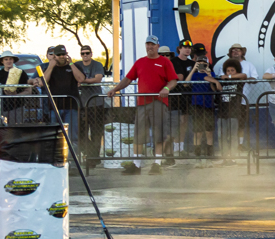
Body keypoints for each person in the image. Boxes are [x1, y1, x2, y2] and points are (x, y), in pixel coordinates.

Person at [105, 36, 178, 175]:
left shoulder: (165, 62)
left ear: (157, 46)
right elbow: (128, 78)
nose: (150, 47)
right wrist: (115, 89)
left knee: (159, 133)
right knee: (139, 134)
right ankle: (136, 165)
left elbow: (173, 80)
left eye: (152, 44)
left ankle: (157, 164)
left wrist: (166, 89)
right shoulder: (140, 62)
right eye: (148, 44)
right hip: (142, 103)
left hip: (158, 102)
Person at [74, 45, 106, 164]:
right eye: (83, 53)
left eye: (87, 53)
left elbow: (97, 79)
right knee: (81, 132)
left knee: (96, 132)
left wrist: (82, 81)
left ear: (91, 54)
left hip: (96, 103)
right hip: (81, 104)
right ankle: (90, 154)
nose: (85, 55)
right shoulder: (76, 65)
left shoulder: (97, 65)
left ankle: (94, 158)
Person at [42, 45, 83, 138]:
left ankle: (72, 153)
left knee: (72, 136)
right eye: (59, 54)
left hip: (71, 106)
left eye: (63, 54)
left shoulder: (74, 66)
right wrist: (51, 66)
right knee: (54, 135)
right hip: (54, 107)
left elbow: (81, 79)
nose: (61, 56)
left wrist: (71, 64)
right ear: (54, 56)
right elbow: (43, 82)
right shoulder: (50, 68)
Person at [186, 56, 219, 167]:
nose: (201, 64)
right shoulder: (194, 75)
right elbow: (185, 84)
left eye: (204, 63)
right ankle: (198, 157)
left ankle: (209, 156)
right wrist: (193, 69)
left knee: (209, 131)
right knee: (198, 132)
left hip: (209, 105)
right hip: (196, 105)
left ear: (207, 64)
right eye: (199, 62)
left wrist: (209, 75)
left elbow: (214, 89)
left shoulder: (212, 74)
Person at [0, 51, 31, 123]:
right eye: (6, 59)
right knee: (0, 131)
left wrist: (16, 96)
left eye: (10, 59)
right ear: (2, 61)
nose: (8, 61)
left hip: (17, 108)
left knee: (16, 131)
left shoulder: (21, 73)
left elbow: (28, 91)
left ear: (13, 60)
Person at [216, 60, 245, 165]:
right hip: (222, 112)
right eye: (228, 71)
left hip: (234, 112)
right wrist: (216, 81)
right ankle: (224, 157)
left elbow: (244, 75)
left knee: (233, 135)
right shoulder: (222, 80)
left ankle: (233, 157)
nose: (230, 72)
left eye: (232, 70)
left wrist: (229, 77)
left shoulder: (238, 81)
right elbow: (210, 79)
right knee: (221, 135)